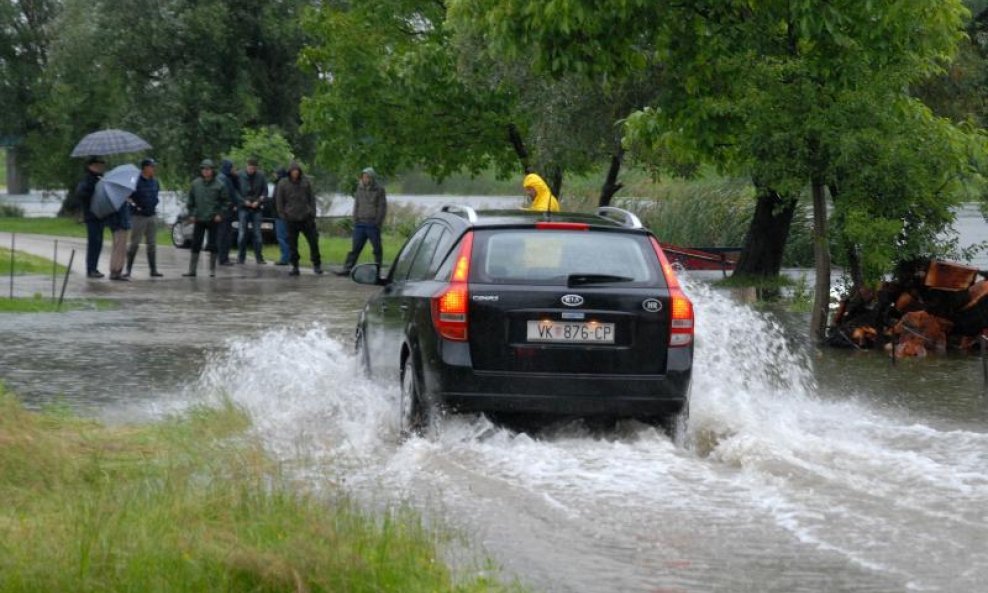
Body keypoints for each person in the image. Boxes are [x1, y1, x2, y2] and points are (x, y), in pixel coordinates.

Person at [183, 159, 230, 278]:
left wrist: (220, 214)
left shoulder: (220, 184)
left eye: (208, 169)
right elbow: (191, 201)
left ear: (212, 170)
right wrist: (192, 214)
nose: (205, 171)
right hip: (199, 218)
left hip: (213, 219)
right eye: (203, 169)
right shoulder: (196, 184)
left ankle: (212, 269)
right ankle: (192, 270)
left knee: (213, 244)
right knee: (196, 243)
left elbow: (226, 202)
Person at [336, 167, 386, 276]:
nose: (365, 179)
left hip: (372, 224)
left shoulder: (379, 190)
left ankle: (377, 270)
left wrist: (377, 222)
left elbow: (382, 207)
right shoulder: (359, 188)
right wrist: (355, 219)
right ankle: (347, 269)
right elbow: (356, 204)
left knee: (377, 249)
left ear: (372, 178)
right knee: (355, 248)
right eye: (364, 177)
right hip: (360, 224)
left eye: (367, 177)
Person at [275, 161, 322, 276]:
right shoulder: (283, 183)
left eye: (297, 171)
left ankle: (317, 264)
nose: (295, 173)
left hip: (306, 217)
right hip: (291, 218)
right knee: (292, 245)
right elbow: (279, 201)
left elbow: (312, 198)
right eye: (293, 171)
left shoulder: (305, 182)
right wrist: (283, 215)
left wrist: (312, 213)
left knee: (313, 242)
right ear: (290, 172)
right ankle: (295, 266)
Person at [125, 158, 163, 278]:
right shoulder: (135, 181)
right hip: (138, 216)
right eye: (152, 166)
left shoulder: (155, 182)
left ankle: (153, 269)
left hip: (151, 215)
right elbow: (128, 196)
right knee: (135, 243)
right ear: (145, 168)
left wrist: (155, 202)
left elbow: (156, 194)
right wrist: (135, 205)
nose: (153, 169)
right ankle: (128, 269)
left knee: (152, 244)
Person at [75, 156, 107, 279]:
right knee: (94, 243)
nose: (100, 167)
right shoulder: (87, 180)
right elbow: (81, 194)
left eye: (101, 165)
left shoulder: (101, 178)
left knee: (99, 243)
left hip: (100, 215)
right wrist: (93, 188)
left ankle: (95, 267)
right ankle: (91, 269)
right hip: (91, 216)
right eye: (98, 165)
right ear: (91, 166)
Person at [237, 157, 267, 264]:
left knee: (257, 234)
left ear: (256, 168)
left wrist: (258, 201)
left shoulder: (261, 176)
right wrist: (243, 201)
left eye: (253, 168)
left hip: (256, 208)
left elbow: (265, 192)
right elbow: (236, 192)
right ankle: (241, 257)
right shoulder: (239, 175)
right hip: (244, 208)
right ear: (247, 166)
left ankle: (259, 257)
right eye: (250, 168)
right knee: (242, 233)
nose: (251, 170)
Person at [216, 159, 242, 266]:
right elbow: (228, 195)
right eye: (232, 168)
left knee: (225, 234)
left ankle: (223, 257)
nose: (234, 169)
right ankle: (223, 258)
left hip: (226, 211)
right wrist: (234, 204)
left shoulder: (226, 178)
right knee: (224, 235)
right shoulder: (223, 179)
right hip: (225, 211)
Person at [105, 190, 132, 281]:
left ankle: (114, 269)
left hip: (117, 225)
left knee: (116, 247)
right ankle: (117, 270)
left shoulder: (113, 197)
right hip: (120, 225)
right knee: (120, 248)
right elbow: (121, 214)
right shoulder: (119, 199)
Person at [271, 167, 291, 265]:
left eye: (275, 173)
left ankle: (285, 258)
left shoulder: (280, 185)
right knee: (287, 236)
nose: (273, 175)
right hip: (286, 214)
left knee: (282, 237)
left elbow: (277, 200)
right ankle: (290, 256)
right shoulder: (287, 184)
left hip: (280, 214)